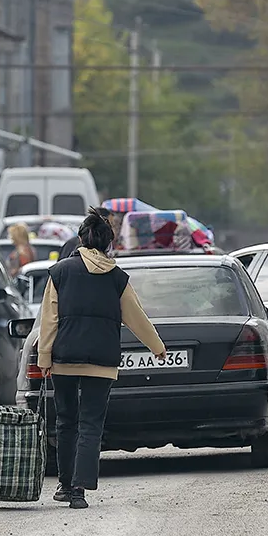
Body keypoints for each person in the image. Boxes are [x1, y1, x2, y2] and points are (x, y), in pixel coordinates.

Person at [37, 208, 165, 509]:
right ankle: (80, 489)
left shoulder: (60, 272)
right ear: (109, 243)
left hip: (64, 359)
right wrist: (156, 346)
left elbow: (49, 320)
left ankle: (65, 485)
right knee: (91, 423)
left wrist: (44, 357)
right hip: (102, 362)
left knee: (66, 422)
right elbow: (137, 317)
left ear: (82, 239)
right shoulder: (117, 278)